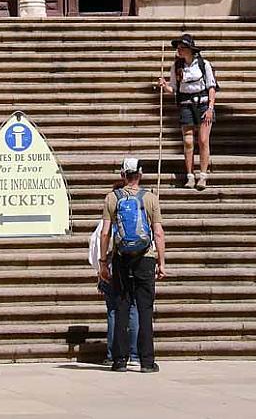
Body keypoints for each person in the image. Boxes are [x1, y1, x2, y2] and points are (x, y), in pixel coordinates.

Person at [98, 158, 166, 373]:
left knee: (121, 307)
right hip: (145, 257)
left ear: (122, 175)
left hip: (120, 258)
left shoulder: (111, 198)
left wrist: (103, 262)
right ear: (141, 174)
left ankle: (119, 360)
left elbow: (105, 233)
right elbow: (158, 233)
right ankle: (147, 361)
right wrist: (161, 262)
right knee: (145, 309)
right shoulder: (150, 198)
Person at [157, 33, 217, 191]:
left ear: (190, 49)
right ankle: (190, 175)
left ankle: (203, 176)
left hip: (204, 104)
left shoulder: (204, 65)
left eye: (182, 47)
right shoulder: (176, 67)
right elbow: (173, 89)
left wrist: (211, 107)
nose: (179, 50)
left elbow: (212, 87)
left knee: (203, 140)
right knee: (188, 141)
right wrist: (164, 86)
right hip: (185, 105)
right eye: (178, 48)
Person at [89, 218, 140, 368]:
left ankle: (113, 354)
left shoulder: (107, 220)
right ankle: (135, 354)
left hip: (112, 268)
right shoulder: (139, 214)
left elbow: (97, 242)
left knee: (113, 310)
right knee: (134, 308)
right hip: (136, 266)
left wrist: (100, 271)